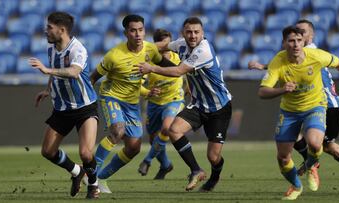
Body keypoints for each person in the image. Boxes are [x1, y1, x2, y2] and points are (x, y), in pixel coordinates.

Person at [136, 17, 232, 192]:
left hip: (219, 108)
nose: (193, 35)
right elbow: (161, 46)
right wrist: (137, 47)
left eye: (196, 32)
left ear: (203, 34)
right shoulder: (181, 44)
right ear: (183, 33)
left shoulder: (203, 50)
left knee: (213, 156)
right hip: (198, 105)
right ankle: (196, 170)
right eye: (189, 32)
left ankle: (214, 178)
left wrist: (152, 68)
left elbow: (179, 71)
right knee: (173, 130)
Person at [249, 19, 339, 180]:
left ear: (310, 36)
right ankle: (310, 163)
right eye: (295, 35)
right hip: (311, 104)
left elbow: (338, 63)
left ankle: (311, 164)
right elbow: (284, 62)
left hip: (327, 105)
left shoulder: (312, 51)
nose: (298, 37)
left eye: (303, 33)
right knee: (304, 138)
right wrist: (264, 67)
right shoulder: (298, 51)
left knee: (325, 145)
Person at [89, 14, 177, 193]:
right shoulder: (114, 56)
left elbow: (167, 65)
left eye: (141, 30)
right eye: (133, 30)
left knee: (134, 147)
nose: (138, 34)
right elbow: (93, 78)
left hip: (132, 103)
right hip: (111, 97)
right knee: (118, 131)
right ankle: (90, 174)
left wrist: (185, 67)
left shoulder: (150, 50)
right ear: (126, 33)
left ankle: (102, 178)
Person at [29, 11, 99, 199]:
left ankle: (93, 184)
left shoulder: (78, 49)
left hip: (85, 108)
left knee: (86, 153)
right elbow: (55, 73)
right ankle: (77, 172)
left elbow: (74, 72)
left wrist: (46, 69)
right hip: (62, 109)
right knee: (48, 151)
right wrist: (48, 89)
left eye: (49, 28)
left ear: (62, 30)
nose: (46, 31)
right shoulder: (51, 49)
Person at [137, 29, 184, 180]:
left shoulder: (178, 58)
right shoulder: (149, 62)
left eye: (169, 44)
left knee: (166, 128)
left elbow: (188, 73)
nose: (167, 47)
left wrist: (190, 88)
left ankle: (147, 160)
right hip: (154, 104)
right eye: (163, 44)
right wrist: (147, 91)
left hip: (174, 99)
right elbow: (137, 85)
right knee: (153, 139)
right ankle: (166, 165)